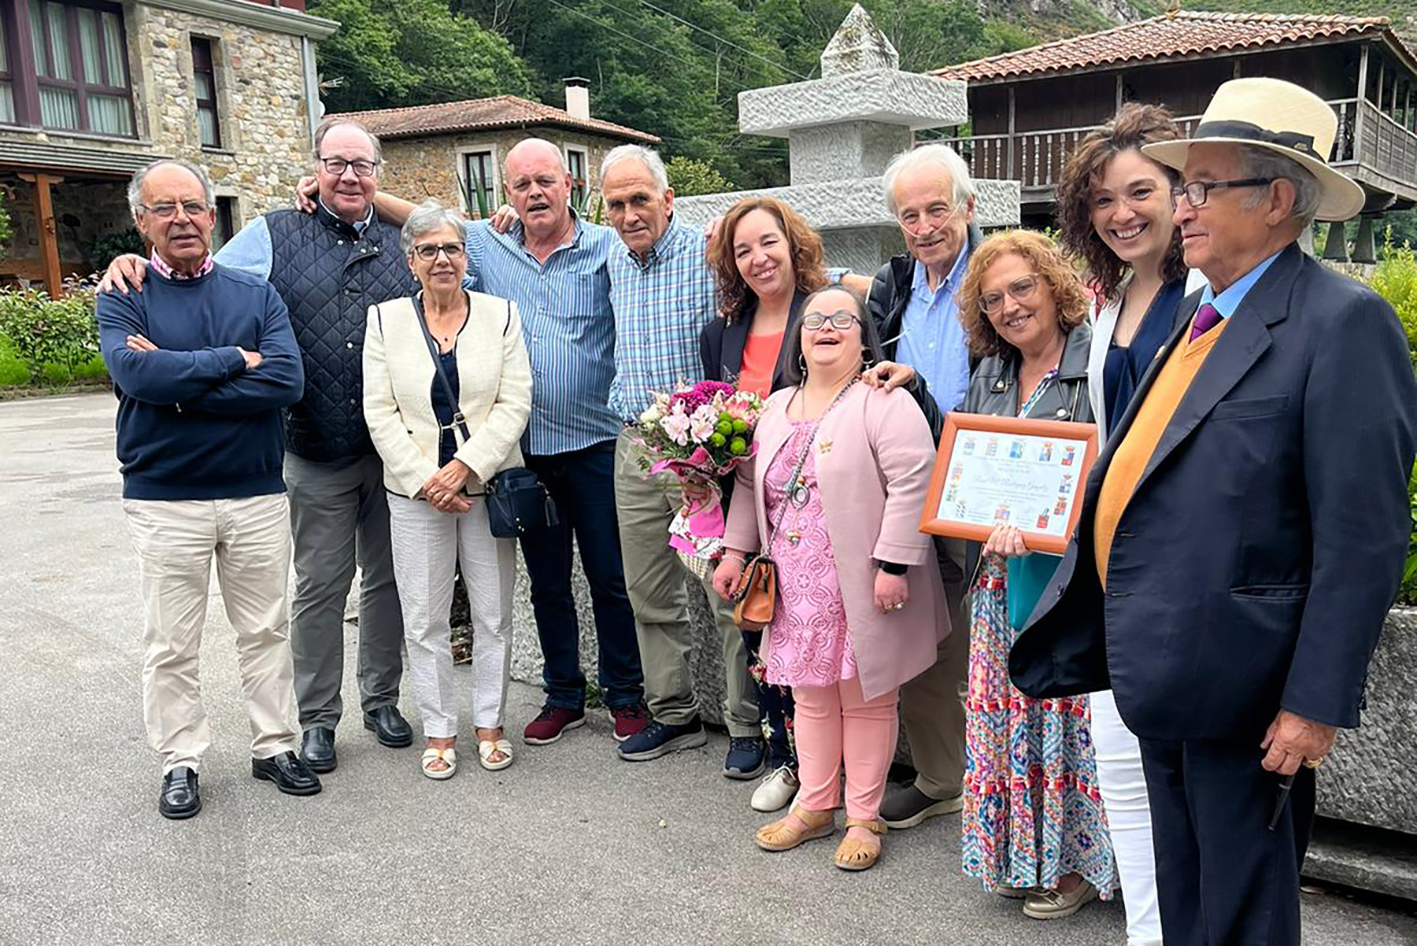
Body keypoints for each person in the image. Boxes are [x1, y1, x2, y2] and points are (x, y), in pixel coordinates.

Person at [1013, 78, 1417, 946]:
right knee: (1186, 897)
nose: (1180, 209)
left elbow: (1364, 535)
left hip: (1247, 688)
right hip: (1162, 669)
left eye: (1201, 187)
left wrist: (1312, 705)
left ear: (1275, 200)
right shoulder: (1198, 315)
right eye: (1182, 186)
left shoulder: (1341, 323)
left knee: (1240, 913)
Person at [102, 118, 419, 774]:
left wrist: (180, 383)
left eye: (362, 165)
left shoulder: (405, 240)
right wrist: (135, 267)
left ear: (379, 174)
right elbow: (186, 268)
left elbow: (279, 375)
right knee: (318, 588)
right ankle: (318, 720)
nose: (349, 176)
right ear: (315, 169)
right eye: (335, 163)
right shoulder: (269, 235)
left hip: (393, 450)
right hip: (312, 449)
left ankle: (382, 700)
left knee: (388, 584)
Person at [356, 139, 648, 748]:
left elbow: (660, 236)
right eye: (521, 185)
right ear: (505, 194)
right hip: (521, 456)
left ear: (571, 185)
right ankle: (563, 693)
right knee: (544, 582)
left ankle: (625, 697)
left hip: (594, 442)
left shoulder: (605, 246)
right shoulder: (486, 242)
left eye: (546, 180)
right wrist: (349, 188)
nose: (535, 193)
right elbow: (426, 226)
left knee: (609, 579)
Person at [97, 159, 316, 818]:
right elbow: (138, 380)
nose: (182, 219)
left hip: (254, 493)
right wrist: (229, 361)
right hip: (165, 499)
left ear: (212, 216)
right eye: (164, 208)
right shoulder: (122, 295)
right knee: (170, 643)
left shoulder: (256, 295)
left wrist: (180, 385)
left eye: (192, 206)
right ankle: (180, 759)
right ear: (142, 222)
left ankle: (274, 745)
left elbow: (285, 383)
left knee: (266, 630)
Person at [711, 286, 951, 873]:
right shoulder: (774, 406)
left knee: (868, 698)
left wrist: (896, 564)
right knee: (810, 696)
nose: (826, 327)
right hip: (792, 583)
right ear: (798, 336)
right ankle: (817, 803)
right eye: (814, 319)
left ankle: (864, 815)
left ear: (864, 337)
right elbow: (748, 487)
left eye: (843, 319)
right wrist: (734, 552)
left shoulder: (883, 402)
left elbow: (913, 482)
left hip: (862, 580)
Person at [1052, 102, 1190, 946]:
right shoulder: (1111, 302)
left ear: (1183, 194)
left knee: (1190, 783)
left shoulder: (1208, 293)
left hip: (1189, 570)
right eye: (1101, 199)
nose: (1120, 213)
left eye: (1141, 191)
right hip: (1117, 566)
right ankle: (1147, 932)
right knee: (1121, 770)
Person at [954, 231, 1115, 919]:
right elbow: (964, 473)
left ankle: (1074, 864)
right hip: (999, 580)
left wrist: (1054, 521)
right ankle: (1021, 853)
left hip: (1067, 583)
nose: (1009, 306)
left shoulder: (1098, 365)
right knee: (1009, 720)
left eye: (1021, 287)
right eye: (992, 299)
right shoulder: (987, 374)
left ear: (1053, 285)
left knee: (1062, 721)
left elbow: (1111, 474)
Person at [597, 145, 763, 771]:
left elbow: (776, 260)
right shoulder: (608, 253)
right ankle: (674, 714)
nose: (630, 213)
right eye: (617, 203)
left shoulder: (709, 252)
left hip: (700, 455)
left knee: (725, 592)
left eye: (641, 199)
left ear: (669, 200)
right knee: (647, 591)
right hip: (635, 446)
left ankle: (747, 725)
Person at [362, 201, 532, 779]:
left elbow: (515, 401)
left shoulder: (500, 314)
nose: (442, 259)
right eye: (428, 249)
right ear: (410, 260)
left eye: (452, 248)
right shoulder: (384, 321)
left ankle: (490, 722)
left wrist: (464, 467)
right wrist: (425, 480)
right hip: (414, 495)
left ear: (466, 257)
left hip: (486, 487)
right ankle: (438, 729)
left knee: (493, 614)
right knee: (425, 618)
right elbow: (378, 411)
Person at [698, 196, 831, 809]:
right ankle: (785, 758)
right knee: (761, 632)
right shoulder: (722, 331)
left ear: (792, 242)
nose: (757, 258)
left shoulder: (826, 314)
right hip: (751, 510)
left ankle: (827, 766)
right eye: (742, 250)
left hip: (818, 511)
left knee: (820, 640)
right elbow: (723, 421)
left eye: (767, 242)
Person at [863, 143, 980, 831]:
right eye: (910, 215)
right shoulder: (894, 284)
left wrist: (925, 395)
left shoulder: (998, 274)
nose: (924, 226)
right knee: (922, 638)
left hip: (984, 478)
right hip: (910, 487)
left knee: (995, 635)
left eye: (937, 208)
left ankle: (1006, 783)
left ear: (967, 207)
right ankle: (941, 776)